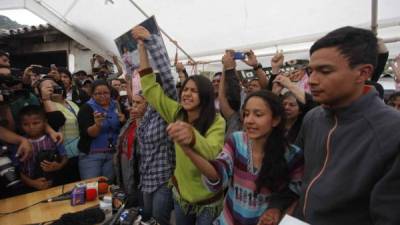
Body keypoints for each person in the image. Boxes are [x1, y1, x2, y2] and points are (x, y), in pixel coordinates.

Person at [294, 26, 400, 225]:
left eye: (325, 71)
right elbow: (297, 175)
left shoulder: (392, 133)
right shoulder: (312, 118)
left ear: (362, 73)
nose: (312, 80)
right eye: (310, 71)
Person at [133, 26, 226, 225]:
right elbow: (150, 88)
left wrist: (190, 136)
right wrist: (142, 49)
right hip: (181, 196)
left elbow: (211, 151)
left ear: (206, 95)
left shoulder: (217, 121)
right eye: (185, 89)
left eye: (193, 91)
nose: (186, 94)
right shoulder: (176, 113)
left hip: (208, 201)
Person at [182, 90, 303, 225]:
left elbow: (294, 193)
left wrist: (275, 210)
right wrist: (188, 150)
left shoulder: (292, 155)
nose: (249, 120)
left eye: (258, 114)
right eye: (246, 114)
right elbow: (218, 173)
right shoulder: (237, 141)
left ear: (275, 120)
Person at [77, 80, 125, 180]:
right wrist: (98, 125)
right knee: (92, 186)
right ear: (92, 94)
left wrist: (123, 120)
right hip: (91, 156)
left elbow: (121, 128)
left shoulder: (116, 105)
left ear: (110, 92)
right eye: (98, 93)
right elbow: (90, 134)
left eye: (106, 93)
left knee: (107, 187)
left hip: (112, 154)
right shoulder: (86, 108)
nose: (102, 96)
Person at [18, 105, 68, 191]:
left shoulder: (53, 139)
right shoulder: (19, 144)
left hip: (55, 183)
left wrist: (59, 166)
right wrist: (32, 183)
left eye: (35, 123)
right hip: (28, 187)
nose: (31, 127)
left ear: (45, 122)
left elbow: (65, 157)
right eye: (25, 124)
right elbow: (16, 170)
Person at [114, 93, 147, 206]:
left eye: (138, 103)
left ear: (148, 105)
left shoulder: (149, 123)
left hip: (139, 168)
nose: (134, 106)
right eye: (133, 102)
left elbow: (143, 146)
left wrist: (139, 119)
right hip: (126, 162)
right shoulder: (131, 120)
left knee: (139, 200)